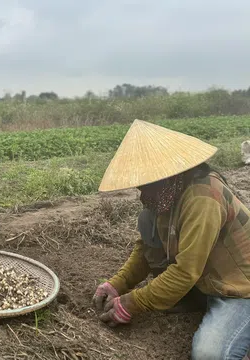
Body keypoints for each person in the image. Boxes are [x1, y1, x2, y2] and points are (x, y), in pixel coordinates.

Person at [92, 119, 250, 360]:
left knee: (209, 354)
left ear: (166, 175)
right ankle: (200, 300)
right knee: (146, 221)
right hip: (207, 278)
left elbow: (185, 272)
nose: (142, 192)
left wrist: (132, 303)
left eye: (147, 183)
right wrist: (117, 284)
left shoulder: (202, 199)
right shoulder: (166, 196)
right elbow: (147, 248)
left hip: (239, 286)